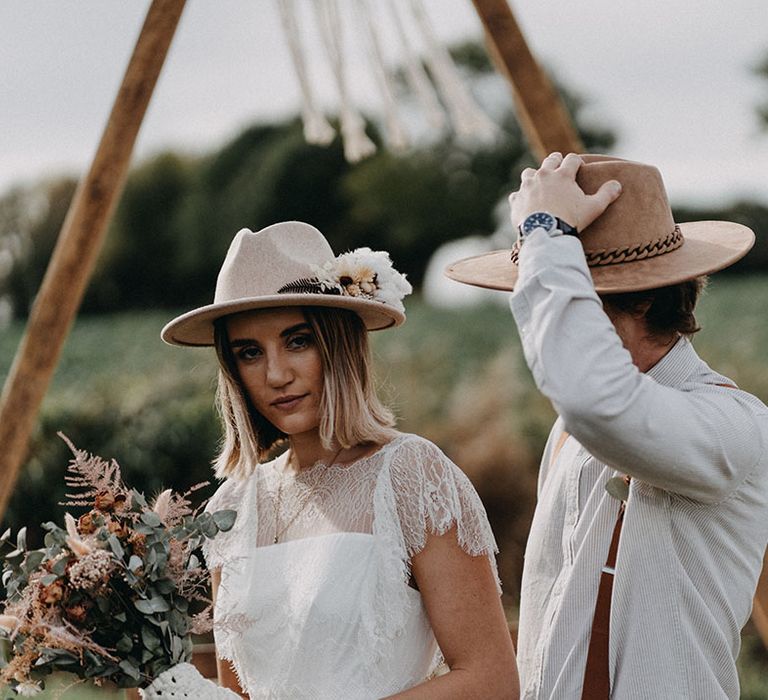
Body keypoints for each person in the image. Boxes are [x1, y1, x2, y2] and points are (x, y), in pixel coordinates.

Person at [446, 153, 768, 699]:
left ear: (641, 300)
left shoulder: (735, 424)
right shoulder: (569, 433)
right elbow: (554, 608)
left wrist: (545, 232)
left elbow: (597, 398)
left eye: (569, 294)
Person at [161, 221, 519, 699]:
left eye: (298, 340)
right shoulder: (233, 507)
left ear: (340, 343)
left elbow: (492, 681)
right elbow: (239, 692)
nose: (276, 374)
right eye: (250, 352)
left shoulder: (411, 476)